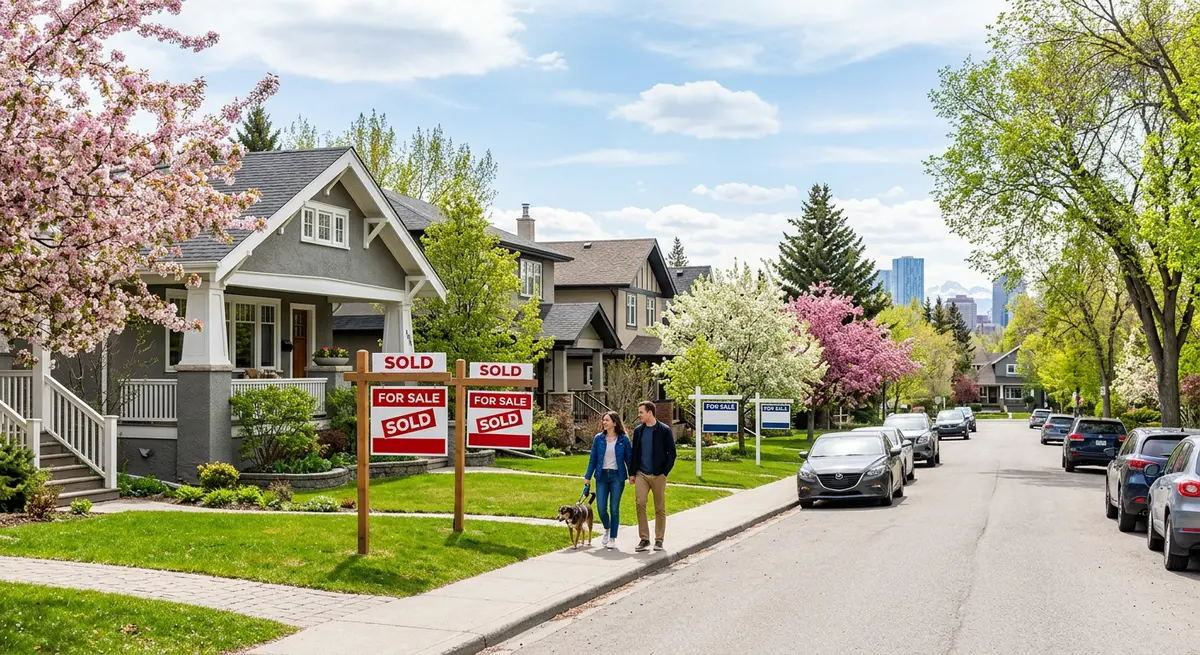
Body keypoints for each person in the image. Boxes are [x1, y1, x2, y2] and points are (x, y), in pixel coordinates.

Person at [629, 400, 676, 552]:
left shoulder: (664, 430)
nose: (639, 415)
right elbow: (634, 453)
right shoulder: (638, 431)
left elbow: (672, 453)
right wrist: (632, 473)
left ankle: (659, 540)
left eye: (641, 412)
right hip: (641, 473)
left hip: (658, 475)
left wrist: (664, 472)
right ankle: (644, 539)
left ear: (650, 413)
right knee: (640, 503)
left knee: (659, 507)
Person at [583, 411, 631, 549]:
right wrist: (587, 477)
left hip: (617, 476)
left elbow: (629, 458)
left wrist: (632, 474)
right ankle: (607, 528)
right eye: (603, 420)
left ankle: (613, 538)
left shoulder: (623, 439)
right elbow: (593, 459)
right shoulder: (598, 438)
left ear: (614, 423)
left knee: (614, 508)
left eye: (607, 420)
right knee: (601, 508)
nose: (604, 422)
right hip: (602, 476)